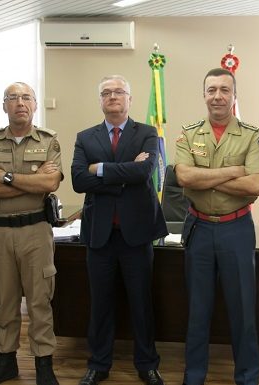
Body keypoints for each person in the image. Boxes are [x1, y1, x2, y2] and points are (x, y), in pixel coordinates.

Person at [71, 75, 168, 385]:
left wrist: (99, 170)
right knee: (99, 303)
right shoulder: (86, 137)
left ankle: (147, 364)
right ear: (100, 100)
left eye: (119, 92)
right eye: (106, 93)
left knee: (141, 303)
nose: (113, 97)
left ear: (130, 98)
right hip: (99, 234)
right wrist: (123, 175)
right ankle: (98, 364)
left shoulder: (147, 133)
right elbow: (77, 180)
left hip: (137, 234)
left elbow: (144, 172)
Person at [174, 68, 259, 385]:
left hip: (236, 231)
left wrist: (207, 179)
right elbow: (184, 178)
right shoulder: (189, 134)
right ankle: (194, 377)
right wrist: (232, 171)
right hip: (199, 230)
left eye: (224, 90)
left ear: (234, 95)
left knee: (243, 313)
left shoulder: (252, 135)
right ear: (204, 95)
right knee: (198, 312)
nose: (217, 96)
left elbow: (255, 185)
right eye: (211, 89)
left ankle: (247, 377)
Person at [0, 82, 63, 385]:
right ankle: (5, 360)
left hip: (36, 230)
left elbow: (49, 185)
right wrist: (30, 179)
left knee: (40, 301)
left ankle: (44, 365)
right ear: (4, 106)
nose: (19, 103)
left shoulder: (48, 141)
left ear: (35, 104)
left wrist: (6, 177)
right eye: (12, 98)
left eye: (26, 97)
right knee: (5, 300)